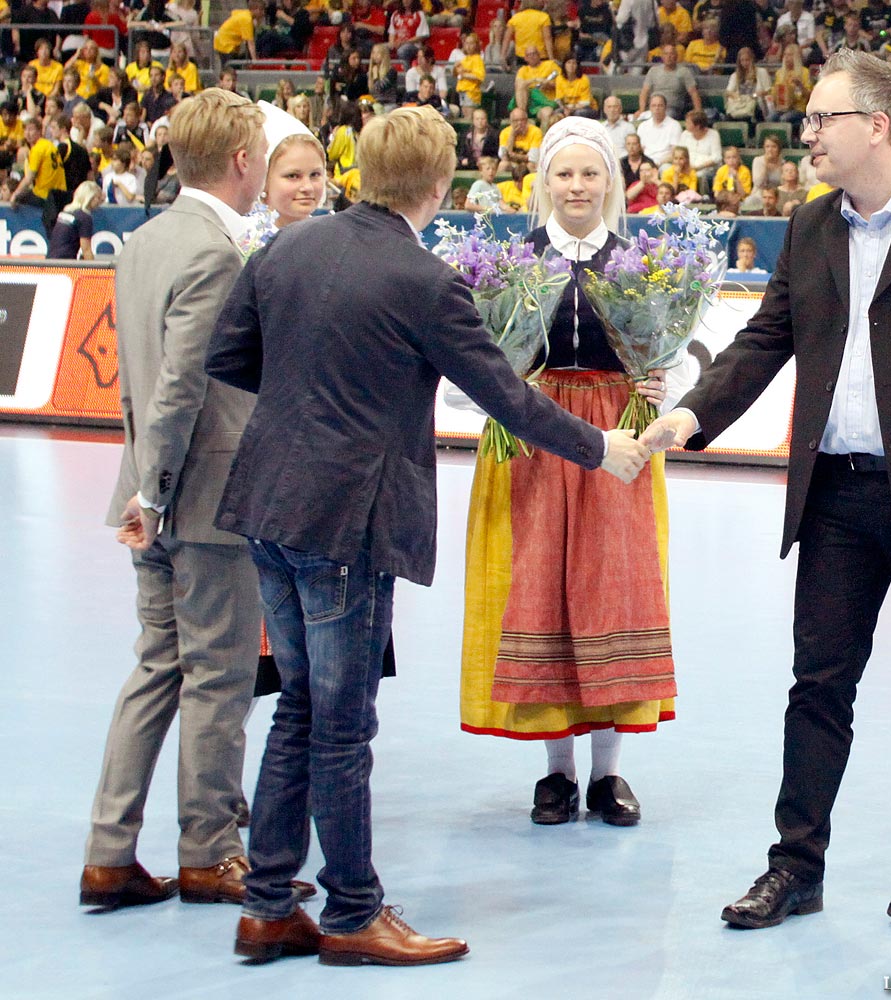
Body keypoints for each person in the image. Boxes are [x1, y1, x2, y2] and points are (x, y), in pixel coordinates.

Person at [206, 104, 648, 966]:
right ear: (441, 185)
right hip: (345, 519)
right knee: (341, 722)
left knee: (297, 707)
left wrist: (314, 390)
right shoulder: (424, 280)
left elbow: (230, 359)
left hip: (266, 505)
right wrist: (602, 447)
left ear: (359, 171)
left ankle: (266, 904)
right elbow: (509, 399)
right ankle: (351, 913)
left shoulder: (283, 249)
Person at [639, 49, 891, 931]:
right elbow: (762, 341)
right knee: (817, 685)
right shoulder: (813, 224)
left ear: (876, 125)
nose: (808, 133)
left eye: (823, 119)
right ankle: (795, 868)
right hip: (834, 496)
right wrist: (686, 417)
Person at [79, 89, 316, 912]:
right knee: (216, 680)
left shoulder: (142, 240)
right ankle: (209, 853)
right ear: (246, 160)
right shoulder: (218, 252)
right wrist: (162, 489)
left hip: (151, 495)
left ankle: (109, 852)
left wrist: (141, 491)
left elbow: (144, 385)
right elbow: (184, 384)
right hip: (203, 499)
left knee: (154, 670)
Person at [458, 115, 672, 828]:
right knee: (543, 590)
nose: (577, 186)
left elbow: (657, 353)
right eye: (564, 173)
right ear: (542, 182)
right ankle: (557, 772)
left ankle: (609, 774)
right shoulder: (512, 263)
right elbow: (480, 364)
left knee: (612, 591)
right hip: (538, 431)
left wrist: (654, 385)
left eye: (590, 173)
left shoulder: (638, 263)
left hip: (618, 438)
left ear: (610, 180)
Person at [639, 41, 702, 120]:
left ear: (676, 56)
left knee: (663, 117)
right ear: (662, 56)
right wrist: (641, 110)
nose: (669, 56)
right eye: (666, 54)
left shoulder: (684, 71)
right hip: (653, 107)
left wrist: (698, 111)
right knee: (637, 119)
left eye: (671, 54)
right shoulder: (653, 70)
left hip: (672, 109)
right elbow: (644, 92)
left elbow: (693, 93)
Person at [48, 179, 102, 259]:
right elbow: (86, 250)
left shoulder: (65, 212)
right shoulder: (84, 218)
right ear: (90, 198)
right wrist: (95, 270)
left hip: (51, 261)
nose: (100, 201)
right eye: (98, 197)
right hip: (66, 265)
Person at [636, 93, 682, 165]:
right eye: (654, 105)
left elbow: (675, 152)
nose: (657, 108)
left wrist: (658, 163)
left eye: (660, 105)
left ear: (665, 107)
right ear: (650, 108)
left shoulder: (674, 125)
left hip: (665, 163)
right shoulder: (643, 126)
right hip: (646, 163)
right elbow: (640, 150)